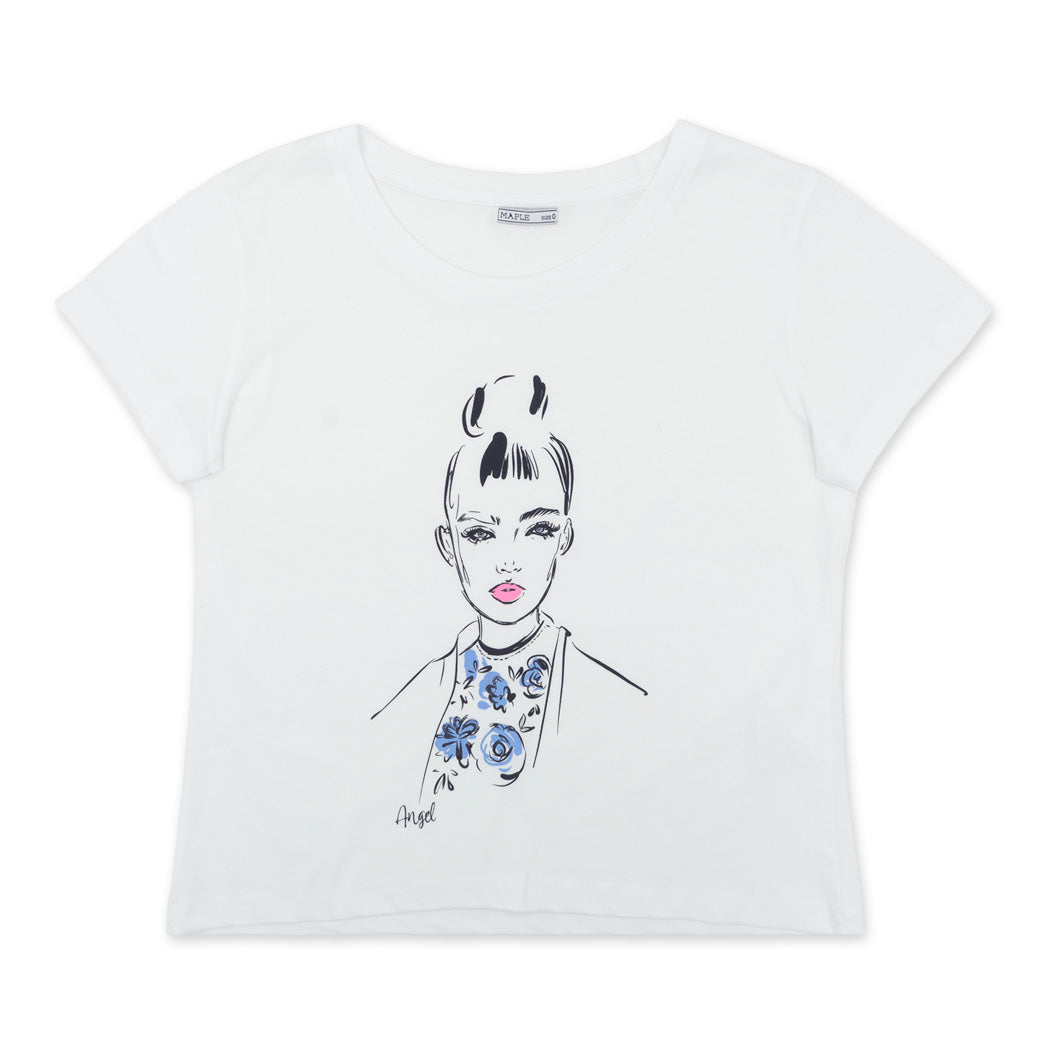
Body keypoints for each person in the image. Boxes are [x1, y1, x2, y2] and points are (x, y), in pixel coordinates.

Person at [371, 372, 647, 804]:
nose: (508, 561)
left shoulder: (618, 702)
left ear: (564, 536)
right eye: (480, 534)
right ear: (448, 544)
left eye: (537, 530)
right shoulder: (411, 702)